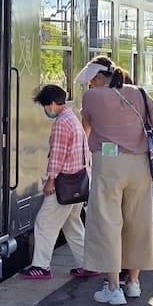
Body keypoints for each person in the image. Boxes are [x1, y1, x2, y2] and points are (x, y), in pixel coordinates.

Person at [76, 56, 153, 305]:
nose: (90, 85)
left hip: (109, 165)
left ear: (96, 77)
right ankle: (134, 284)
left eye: (91, 81)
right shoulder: (139, 92)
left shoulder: (92, 97)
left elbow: (86, 129)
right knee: (138, 221)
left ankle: (114, 288)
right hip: (140, 164)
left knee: (107, 221)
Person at [20, 85, 99, 280]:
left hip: (65, 183)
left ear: (54, 103)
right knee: (72, 224)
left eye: (46, 105)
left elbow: (57, 155)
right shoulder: (72, 119)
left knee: (44, 223)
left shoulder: (62, 123)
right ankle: (88, 264)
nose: (46, 110)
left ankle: (41, 266)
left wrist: (50, 181)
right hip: (79, 181)